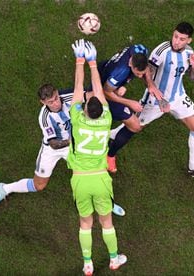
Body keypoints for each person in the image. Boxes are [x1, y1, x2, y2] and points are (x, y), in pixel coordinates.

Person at [0, 85, 125, 216]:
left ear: (57, 93)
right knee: (39, 185)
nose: (56, 103)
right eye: (50, 102)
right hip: (53, 149)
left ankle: (108, 204)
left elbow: (93, 95)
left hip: (73, 147)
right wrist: (73, 141)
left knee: (93, 173)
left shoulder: (68, 97)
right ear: (42, 102)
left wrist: (114, 92)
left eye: (56, 98)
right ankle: (5, 188)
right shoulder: (44, 118)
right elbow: (53, 143)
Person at [113, 22, 194, 180]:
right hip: (155, 100)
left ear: (189, 41)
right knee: (135, 125)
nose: (176, 41)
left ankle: (193, 167)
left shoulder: (189, 52)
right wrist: (160, 100)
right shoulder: (161, 51)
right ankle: (108, 137)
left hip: (179, 97)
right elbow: (147, 77)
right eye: (175, 36)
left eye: (181, 39)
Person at [69, 39, 127, 276]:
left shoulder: (77, 120)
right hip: (101, 179)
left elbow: (77, 87)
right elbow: (99, 93)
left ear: (84, 110)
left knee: (85, 223)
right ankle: (114, 259)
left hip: (80, 180)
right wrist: (93, 63)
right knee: (106, 222)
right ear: (100, 110)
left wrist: (79, 60)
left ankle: (87, 264)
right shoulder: (105, 121)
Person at [97, 43, 169, 173]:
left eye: (142, 73)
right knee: (135, 126)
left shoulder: (140, 49)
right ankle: (110, 155)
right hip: (103, 89)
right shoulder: (121, 72)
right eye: (137, 73)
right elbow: (106, 92)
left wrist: (150, 84)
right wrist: (129, 103)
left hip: (107, 71)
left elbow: (146, 69)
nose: (140, 76)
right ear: (131, 64)